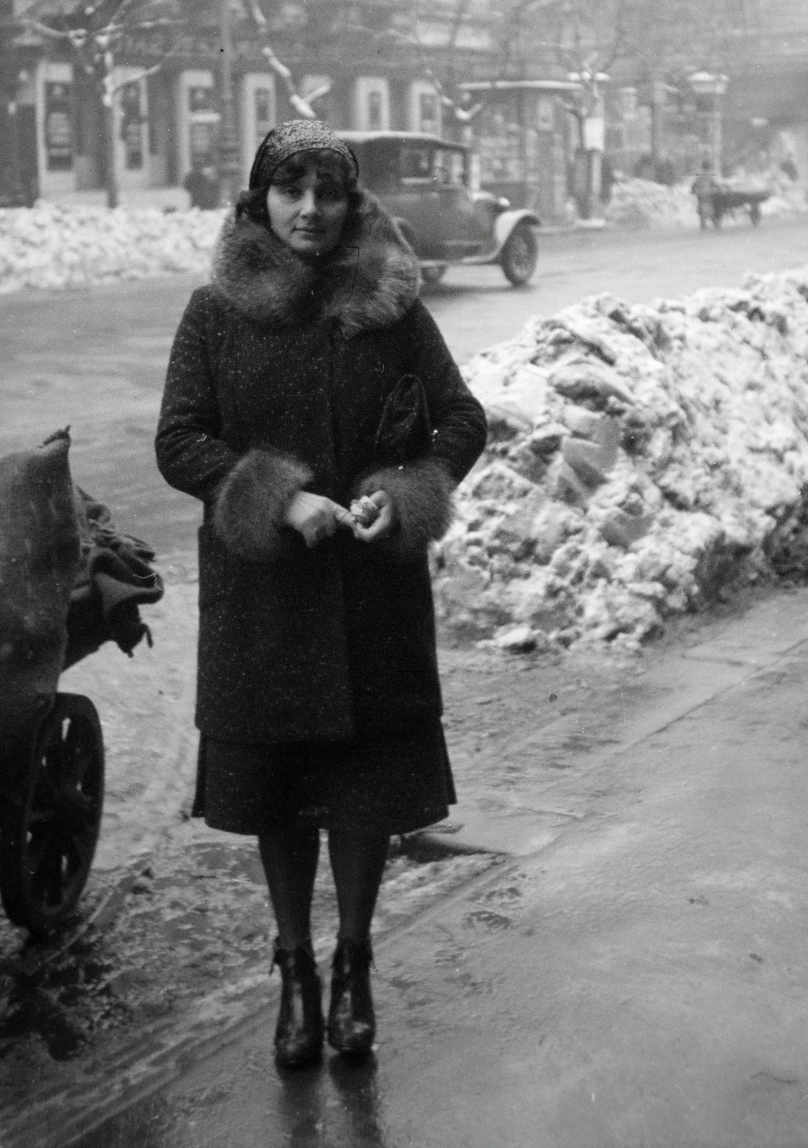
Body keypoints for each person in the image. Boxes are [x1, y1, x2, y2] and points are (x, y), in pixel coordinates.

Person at [156, 119, 487, 1069]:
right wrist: (277, 496)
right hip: (266, 600)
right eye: (290, 189)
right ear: (259, 199)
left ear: (351, 202)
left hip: (370, 594)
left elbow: (462, 418)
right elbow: (179, 441)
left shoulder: (391, 305)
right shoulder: (214, 312)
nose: (309, 209)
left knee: (363, 794)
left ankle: (354, 965)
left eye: (328, 192)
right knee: (281, 794)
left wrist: (405, 492)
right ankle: (296, 969)